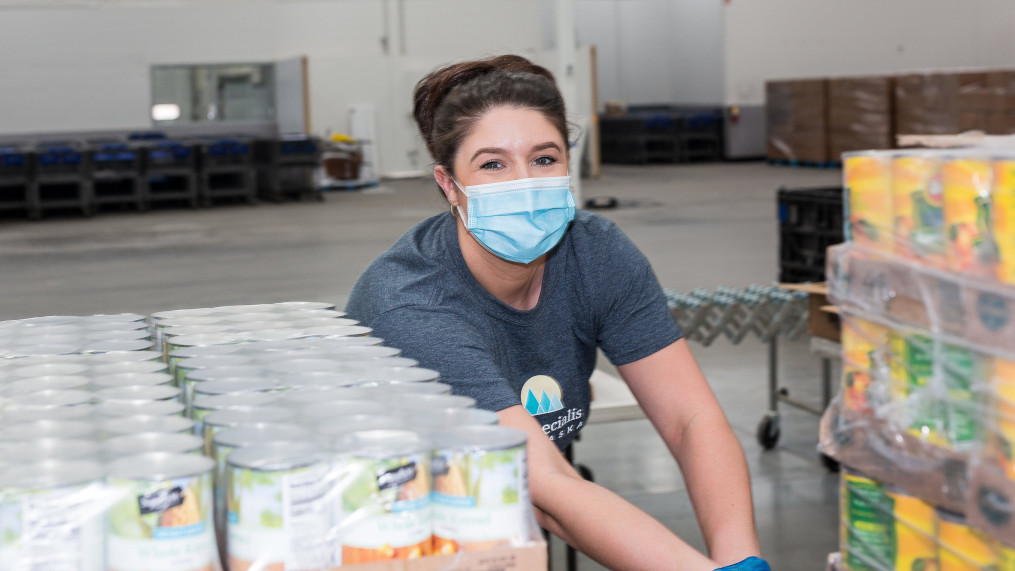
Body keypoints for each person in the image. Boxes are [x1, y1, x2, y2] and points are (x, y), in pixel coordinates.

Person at [346, 54, 768, 571]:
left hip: (519, 511)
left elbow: (691, 420)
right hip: (408, 526)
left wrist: (740, 559)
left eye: (544, 159)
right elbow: (544, 486)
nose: (524, 183)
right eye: (493, 164)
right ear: (449, 185)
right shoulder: (410, 302)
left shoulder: (595, 253)